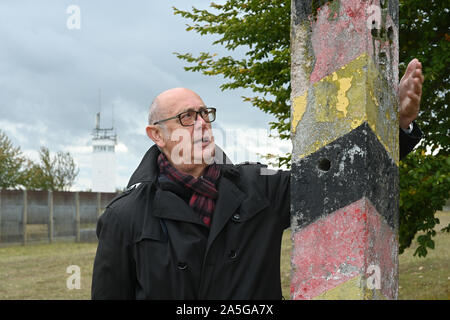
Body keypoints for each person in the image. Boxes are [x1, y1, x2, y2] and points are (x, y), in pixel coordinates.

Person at [91, 59, 424, 299]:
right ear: (157, 135)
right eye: (186, 118)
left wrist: (396, 125)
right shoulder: (126, 216)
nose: (203, 124)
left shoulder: (257, 186)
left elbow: (337, 177)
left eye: (205, 114)